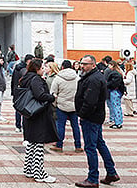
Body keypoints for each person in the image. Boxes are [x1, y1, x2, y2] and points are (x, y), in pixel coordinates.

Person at [75, 55, 119, 188]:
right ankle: (111, 172)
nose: (82, 66)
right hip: (96, 117)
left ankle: (93, 178)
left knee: (90, 147)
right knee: (100, 143)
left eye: (86, 64)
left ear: (93, 65)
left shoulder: (93, 79)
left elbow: (90, 101)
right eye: (81, 63)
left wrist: (82, 115)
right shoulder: (94, 77)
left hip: (91, 117)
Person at [19, 58, 57, 183]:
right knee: (38, 144)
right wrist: (52, 97)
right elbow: (39, 95)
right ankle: (39, 173)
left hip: (29, 113)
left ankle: (29, 168)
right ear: (37, 69)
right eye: (42, 67)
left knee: (32, 142)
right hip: (38, 114)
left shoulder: (26, 78)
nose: (43, 69)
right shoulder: (36, 79)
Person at [50, 60, 82, 153]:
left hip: (62, 105)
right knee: (75, 126)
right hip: (74, 106)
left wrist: (55, 104)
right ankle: (78, 146)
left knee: (61, 126)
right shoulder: (77, 78)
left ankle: (59, 145)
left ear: (62, 67)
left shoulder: (58, 78)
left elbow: (53, 93)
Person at [11, 54, 34, 133]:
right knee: (24, 109)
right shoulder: (26, 70)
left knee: (18, 108)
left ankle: (18, 125)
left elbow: (13, 80)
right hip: (24, 91)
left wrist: (13, 91)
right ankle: (23, 126)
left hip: (17, 91)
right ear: (28, 61)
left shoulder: (17, 68)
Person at [106, 61, 125, 129]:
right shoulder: (118, 72)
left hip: (114, 91)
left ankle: (118, 123)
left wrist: (107, 84)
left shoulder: (114, 73)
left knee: (116, 107)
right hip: (118, 91)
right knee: (117, 107)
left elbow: (113, 83)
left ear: (112, 65)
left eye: (109, 65)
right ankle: (118, 122)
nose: (108, 66)